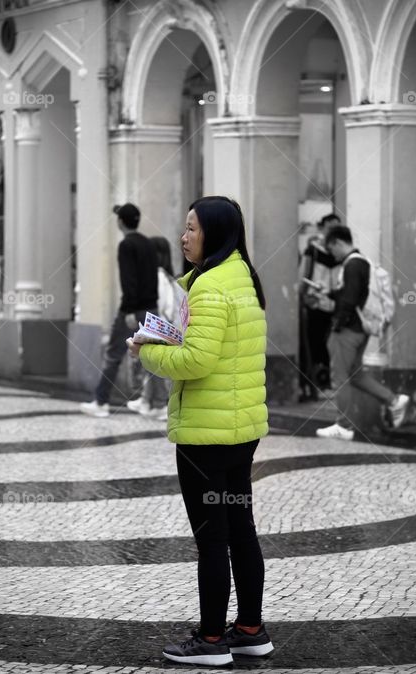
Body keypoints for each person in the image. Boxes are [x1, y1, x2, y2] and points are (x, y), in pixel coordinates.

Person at [127, 196, 272, 666]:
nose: (183, 236)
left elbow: (196, 361)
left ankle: (211, 641)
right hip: (239, 427)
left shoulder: (210, 287)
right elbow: (219, 352)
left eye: (191, 228)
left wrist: (146, 350)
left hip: (207, 435)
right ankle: (249, 629)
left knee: (212, 538)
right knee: (240, 529)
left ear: (214, 233)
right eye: (184, 227)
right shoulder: (243, 278)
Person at [312, 225, 409, 441]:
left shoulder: (352, 265)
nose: (332, 254)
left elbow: (351, 298)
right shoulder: (362, 262)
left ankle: (344, 426)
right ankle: (393, 400)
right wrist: (330, 293)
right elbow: (352, 294)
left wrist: (338, 324)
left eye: (331, 249)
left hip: (347, 330)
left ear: (338, 242)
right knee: (356, 374)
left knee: (340, 377)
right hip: (360, 330)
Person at [80, 203, 158, 418]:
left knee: (114, 355)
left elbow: (128, 280)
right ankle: (157, 404)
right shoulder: (148, 244)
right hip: (152, 307)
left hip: (132, 310)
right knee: (155, 356)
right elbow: (152, 278)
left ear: (121, 222)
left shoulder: (126, 245)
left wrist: (131, 310)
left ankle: (101, 402)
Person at [126, 236, 182, 421]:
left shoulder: (157, 277)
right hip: (165, 326)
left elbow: (158, 304)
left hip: (158, 327)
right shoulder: (168, 278)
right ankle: (146, 400)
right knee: (150, 365)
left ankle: (158, 403)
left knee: (153, 365)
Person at [298, 213, 339, 401]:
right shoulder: (313, 251)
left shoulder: (339, 253)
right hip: (315, 304)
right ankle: (318, 384)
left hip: (334, 305)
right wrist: (306, 296)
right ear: (322, 228)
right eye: (330, 227)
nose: (333, 231)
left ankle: (327, 382)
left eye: (337, 227)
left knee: (329, 345)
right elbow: (302, 276)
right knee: (316, 345)